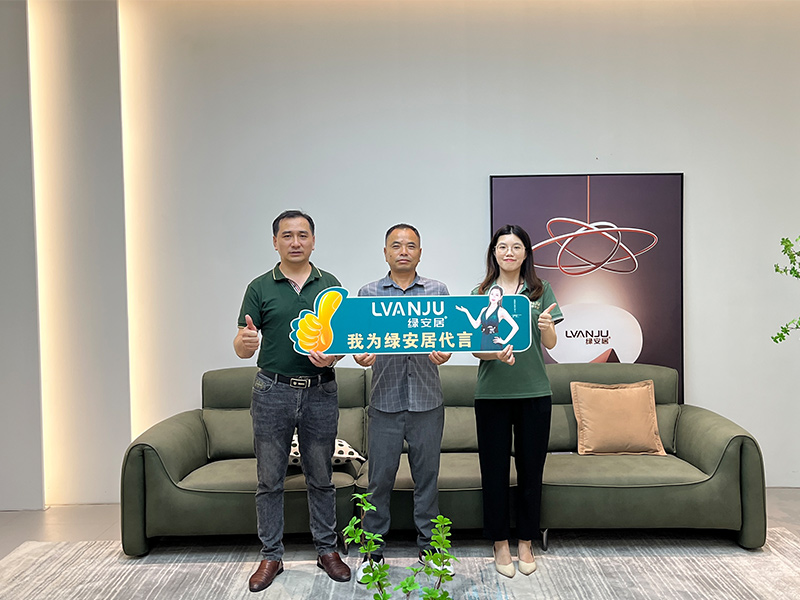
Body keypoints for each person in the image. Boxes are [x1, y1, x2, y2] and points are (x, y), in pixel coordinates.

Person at [234, 210, 351, 592]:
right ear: (275, 242)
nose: (295, 242)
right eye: (287, 235)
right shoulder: (259, 287)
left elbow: (343, 342)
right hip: (273, 391)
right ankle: (271, 555)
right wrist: (244, 343)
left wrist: (332, 357)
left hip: (321, 390)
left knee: (321, 476)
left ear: (313, 241)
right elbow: (242, 345)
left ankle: (327, 550)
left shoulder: (331, 285)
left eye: (303, 235)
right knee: (269, 479)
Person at [352, 224, 452, 582]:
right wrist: (360, 356)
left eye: (411, 245)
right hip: (385, 402)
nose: (404, 251)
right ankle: (372, 552)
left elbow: (448, 337)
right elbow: (359, 342)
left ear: (420, 253)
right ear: (385, 253)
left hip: (427, 401)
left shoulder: (438, 291)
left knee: (427, 480)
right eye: (396, 245)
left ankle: (431, 549)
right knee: (379, 482)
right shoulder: (368, 293)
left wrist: (445, 353)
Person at [470, 224, 562, 579]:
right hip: (492, 394)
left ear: (526, 253)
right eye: (502, 247)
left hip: (535, 393)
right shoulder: (480, 293)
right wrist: (496, 354)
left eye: (516, 247)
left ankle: (525, 541)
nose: (509, 253)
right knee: (493, 472)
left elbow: (550, 344)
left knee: (531, 471)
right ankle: (499, 543)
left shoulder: (540, 290)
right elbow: (477, 348)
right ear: (494, 253)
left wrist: (546, 327)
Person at [455, 284, 520, 350]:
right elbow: (475, 325)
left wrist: (504, 341)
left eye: (497, 295)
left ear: (500, 297)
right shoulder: (484, 309)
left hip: (494, 341)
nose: (493, 297)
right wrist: (466, 312)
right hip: (484, 340)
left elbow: (515, 327)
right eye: (492, 294)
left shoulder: (501, 311)